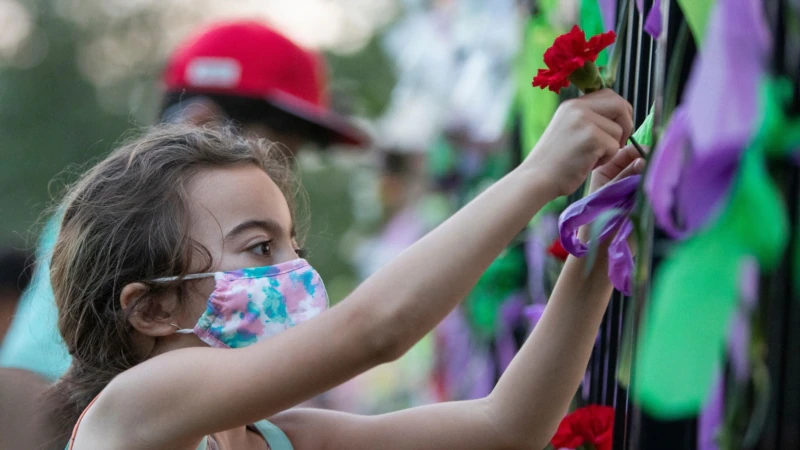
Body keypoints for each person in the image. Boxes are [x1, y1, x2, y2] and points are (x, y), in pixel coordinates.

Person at [53, 89, 640, 449]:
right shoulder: (133, 406)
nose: (297, 272)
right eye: (260, 249)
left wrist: (595, 234)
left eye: (293, 247)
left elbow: (508, 426)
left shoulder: (278, 438)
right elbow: (375, 330)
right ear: (152, 308)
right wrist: (537, 177)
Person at [0, 20, 369, 381]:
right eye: (276, 154)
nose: (281, 182)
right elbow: (29, 389)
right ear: (202, 127)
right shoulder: (103, 229)